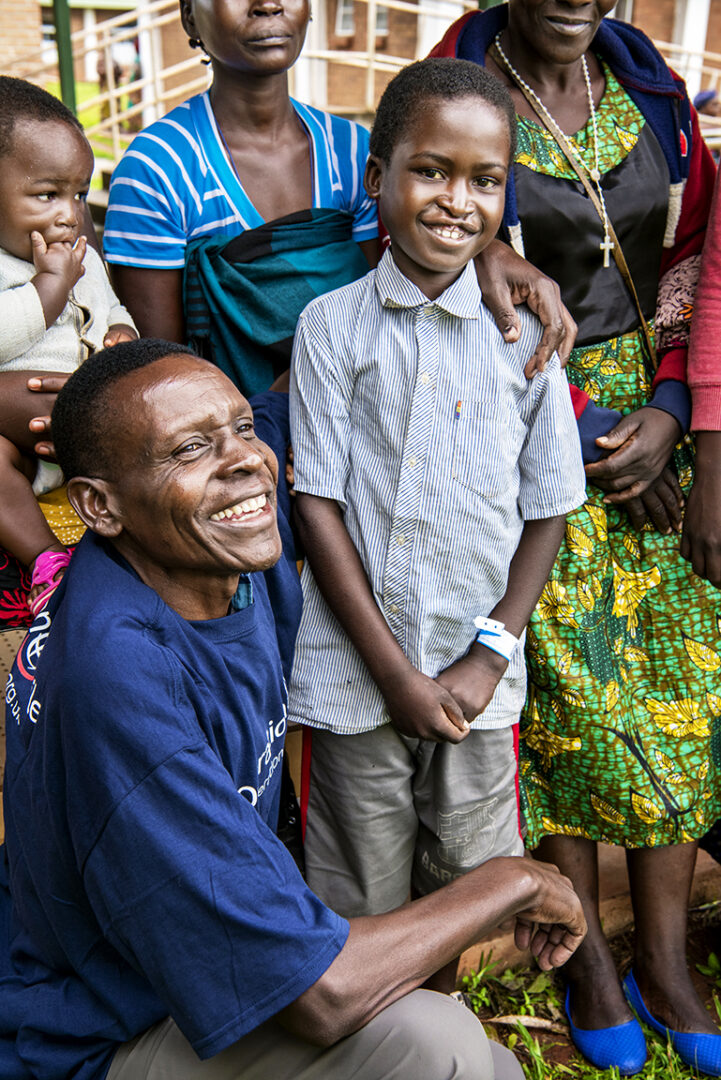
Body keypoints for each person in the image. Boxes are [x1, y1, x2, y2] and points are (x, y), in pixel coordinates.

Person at [0, 337, 587, 1080]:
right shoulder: (120, 675)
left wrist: (495, 260)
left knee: (489, 1068)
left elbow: (310, 358)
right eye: (188, 449)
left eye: (240, 429)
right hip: (103, 1026)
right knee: (436, 1045)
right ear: (99, 506)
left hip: (174, 970)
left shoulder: (216, 524)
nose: (246, 460)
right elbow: (323, 996)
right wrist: (517, 879)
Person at [431, 2, 721, 1075]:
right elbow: (434, 260)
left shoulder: (650, 93)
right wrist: (590, 428)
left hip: (656, 420)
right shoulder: (461, 78)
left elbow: (688, 262)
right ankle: (587, 954)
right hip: (525, 427)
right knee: (569, 702)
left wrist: (666, 409)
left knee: (680, 697)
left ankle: (666, 958)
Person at [288, 58, 586, 997]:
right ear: (375, 177)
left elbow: (548, 507)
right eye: (429, 171)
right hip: (354, 679)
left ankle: (443, 1032)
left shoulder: (526, 335)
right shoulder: (330, 327)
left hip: (475, 683)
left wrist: (489, 653)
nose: (456, 200)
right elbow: (318, 504)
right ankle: (381, 1046)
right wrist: (391, 674)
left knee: (464, 890)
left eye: (484, 180)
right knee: (361, 905)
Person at [102, 0, 578, 394]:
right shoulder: (157, 169)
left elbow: (384, 309)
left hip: (365, 406)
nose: (268, 5)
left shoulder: (352, 150)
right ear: (189, 17)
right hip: (229, 435)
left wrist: (489, 253)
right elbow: (161, 371)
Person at [0, 77, 136, 622]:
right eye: (46, 194)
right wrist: (47, 291)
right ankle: (46, 564)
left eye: (79, 194)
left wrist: (121, 334)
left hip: (89, 439)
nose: (69, 213)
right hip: (17, 450)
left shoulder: (83, 257)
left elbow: (114, 308)